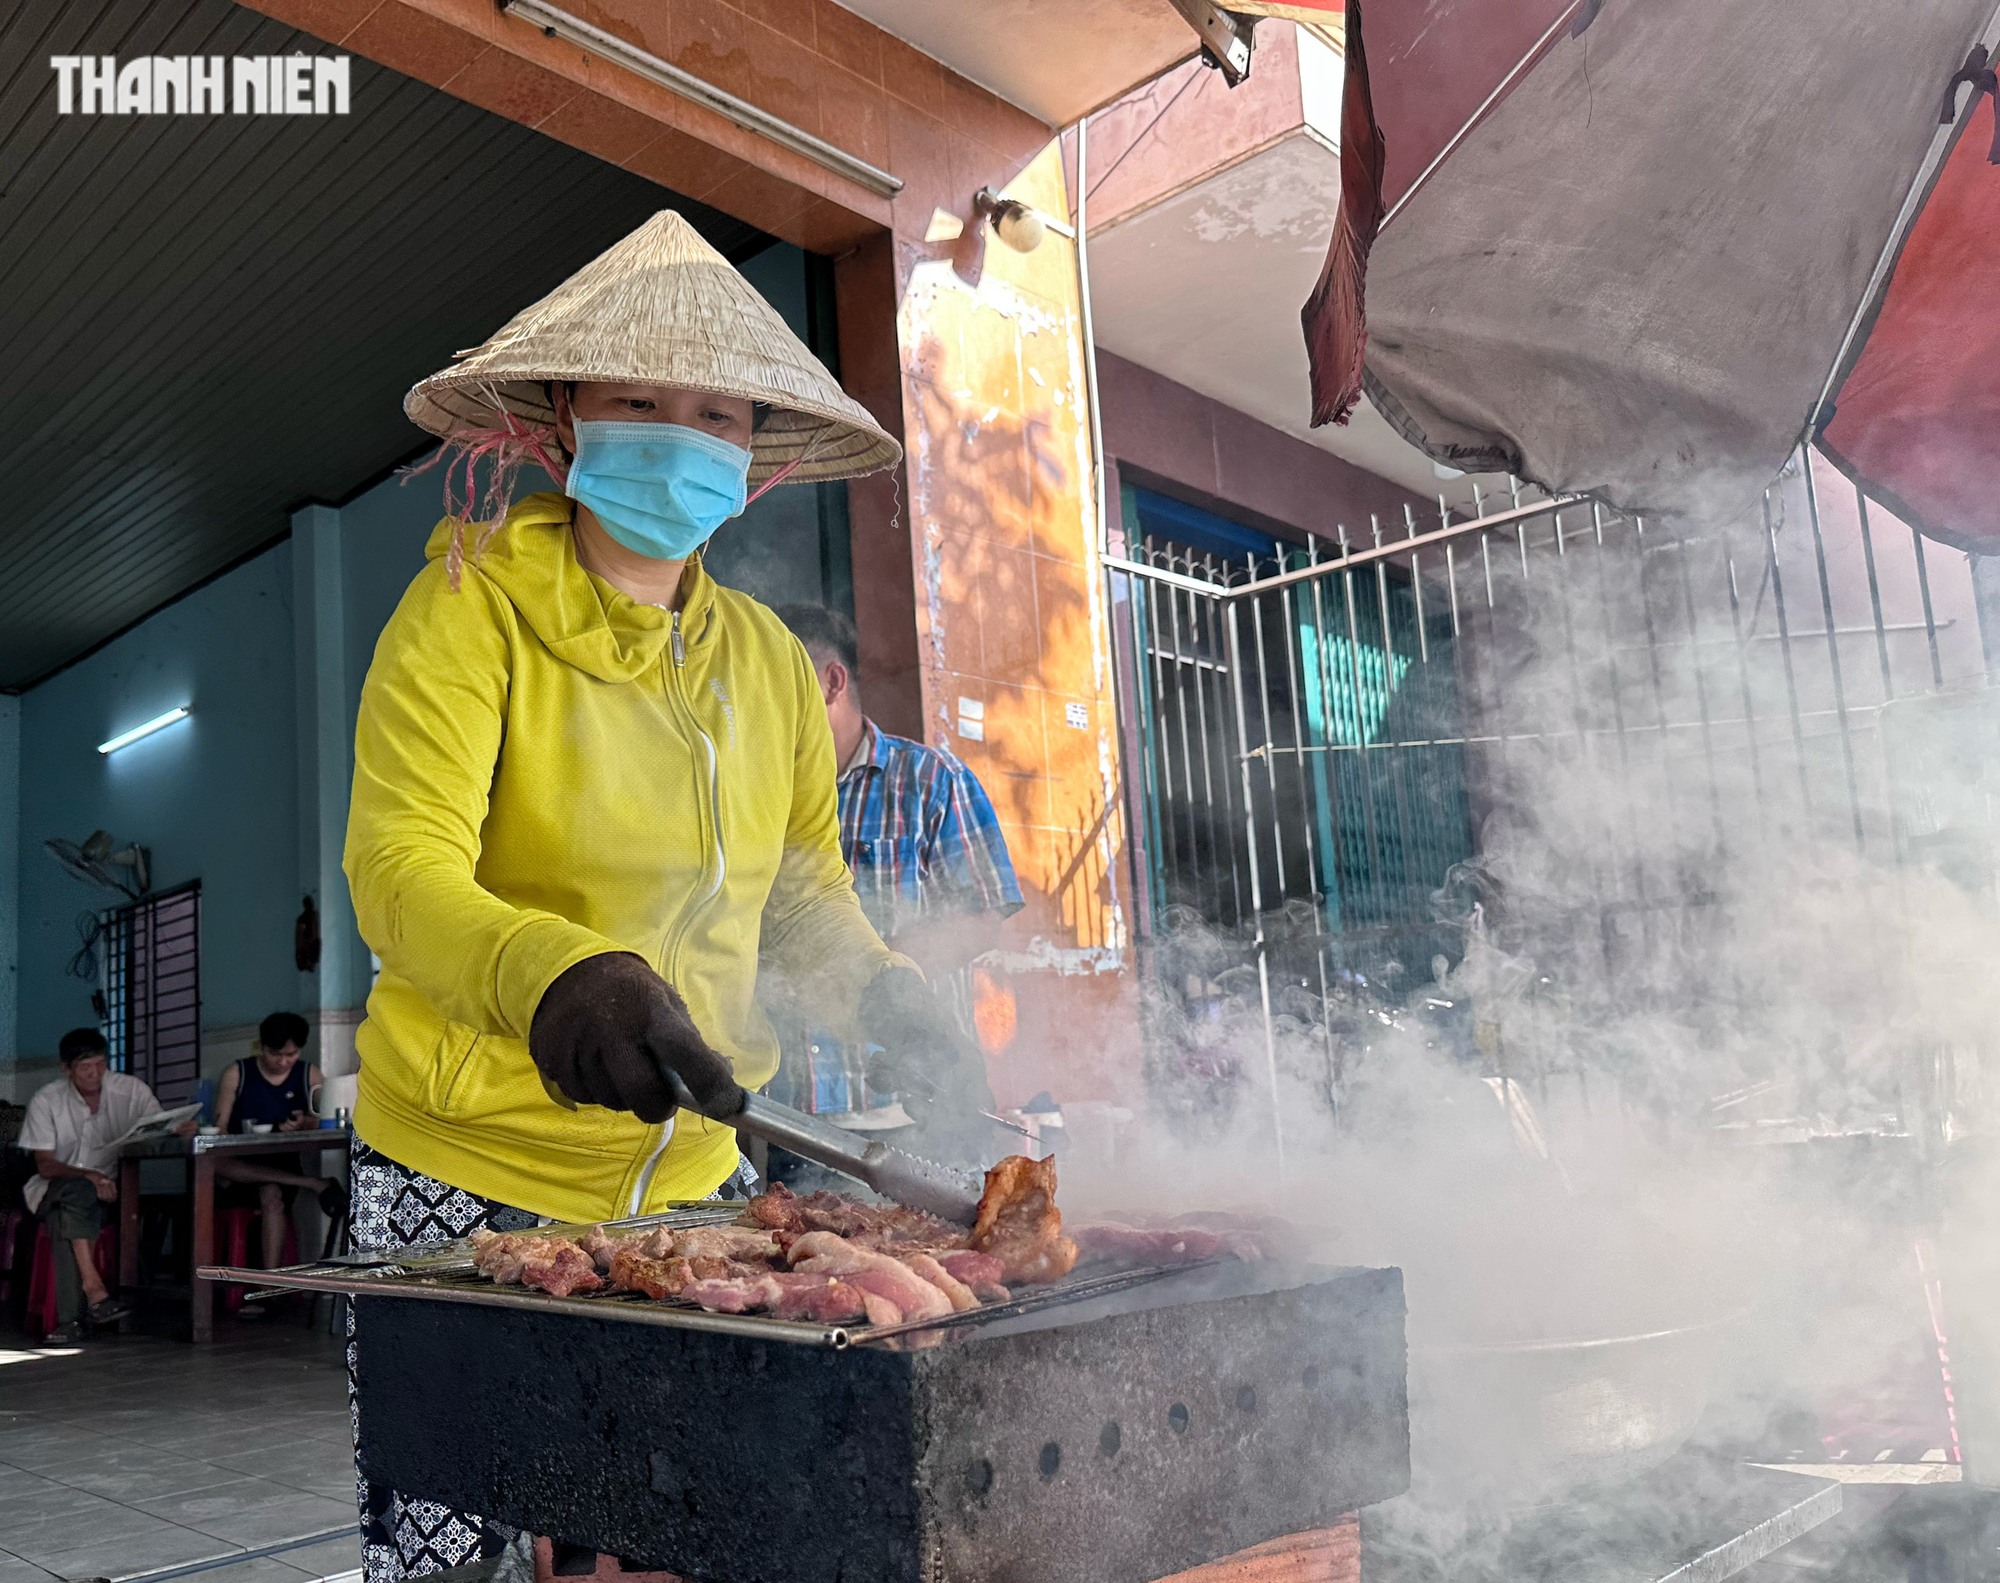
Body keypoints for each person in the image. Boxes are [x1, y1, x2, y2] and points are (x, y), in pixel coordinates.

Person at [343, 209, 980, 1583]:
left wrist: (889, 991)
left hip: (697, 1179)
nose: (676, 433)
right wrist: (557, 974)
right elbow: (399, 872)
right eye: (636, 399)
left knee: (681, 1528)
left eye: (712, 412)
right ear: (565, 418)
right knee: (462, 1545)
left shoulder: (763, 662)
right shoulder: (465, 607)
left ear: (752, 458)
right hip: (468, 1165)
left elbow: (803, 883)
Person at [771, 604, 1023, 1132]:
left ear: (830, 681)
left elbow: (982, 917)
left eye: (774, 683)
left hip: (915, 1106)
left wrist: (880, 981)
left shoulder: (932, 780)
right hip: (792, 1111)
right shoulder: (761, 796)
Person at [18, 1027, 190, 1342]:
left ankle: (70, 1323)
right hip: (51, 1189)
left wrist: (179, 1129)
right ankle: (96, 1292)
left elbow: (156, 1128)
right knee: (77, 1194)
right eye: (85, 1068)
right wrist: (88, 1176)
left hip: (105, 1195)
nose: (95, 1074)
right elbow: (45, 1164)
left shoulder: (130, 1090)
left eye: (100, 1065)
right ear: (65, 1069)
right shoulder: (47, 1100)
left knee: (66, 1218)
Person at [211, 1011, 346, 1278]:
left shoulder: (309, 1075)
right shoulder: (237, 1074)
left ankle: (268, 1287)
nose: (283, 1061)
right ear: (261, 1047)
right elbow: (220, 1130)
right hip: (239, 1169)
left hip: (283, 1167)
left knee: (272, 1195)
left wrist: (306, 1123)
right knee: (217, 1164)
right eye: (275, 1054)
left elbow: (325, 1120)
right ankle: (312, 1183)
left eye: (291, 1054)